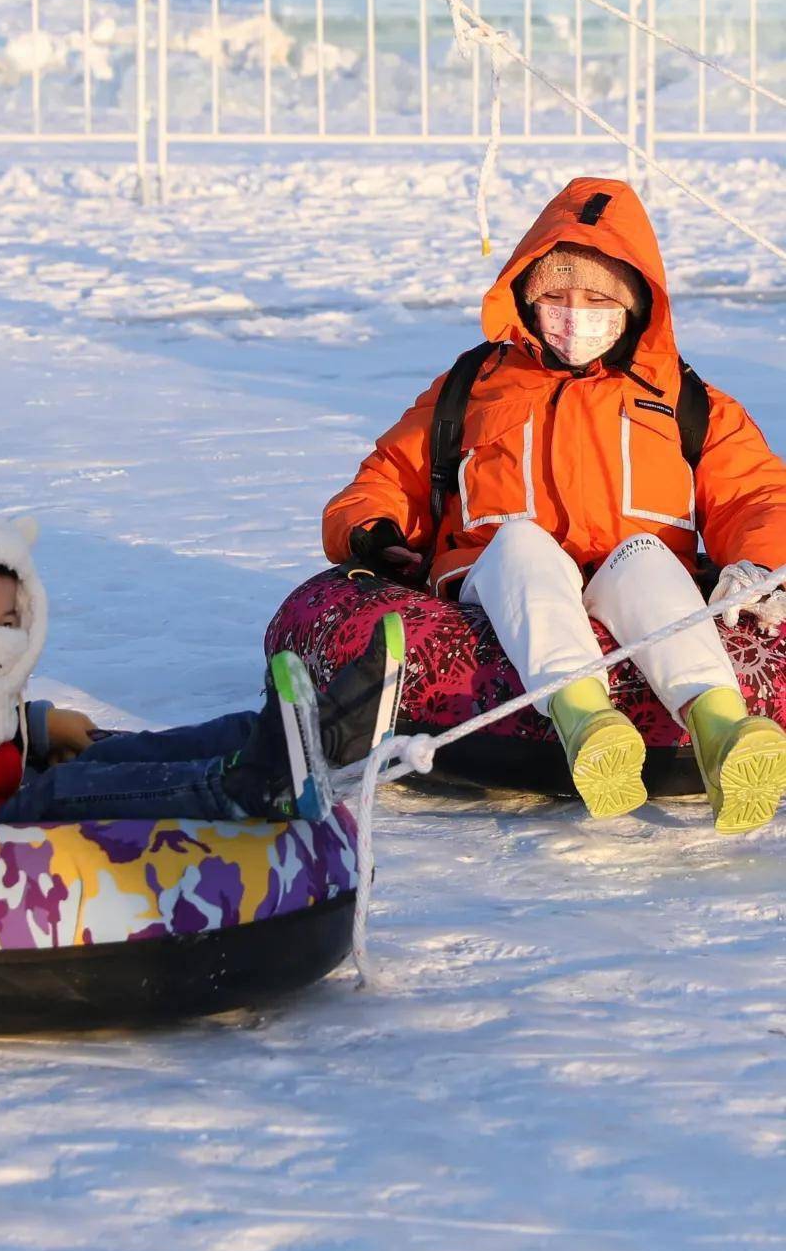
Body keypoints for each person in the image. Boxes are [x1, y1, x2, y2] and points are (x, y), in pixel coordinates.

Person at [322, 177, 786, 833]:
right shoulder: (473, 388)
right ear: (527, 300)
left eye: (597, 298)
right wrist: (368, 532)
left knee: (650, 559)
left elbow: (756, 495)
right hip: (500, 575)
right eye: (556, 298)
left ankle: (721, 730)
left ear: (634, 305)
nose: (575, 314)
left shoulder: (685, 401)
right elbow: (386, 477)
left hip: (627, 576)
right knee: (522, 545)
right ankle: (587, 723)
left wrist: (764, 562)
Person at [0, 507, 401, 830]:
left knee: (113, 756)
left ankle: (300, 730)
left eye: (7, 623)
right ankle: (243, 785)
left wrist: (33, 723)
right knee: (62, 796)